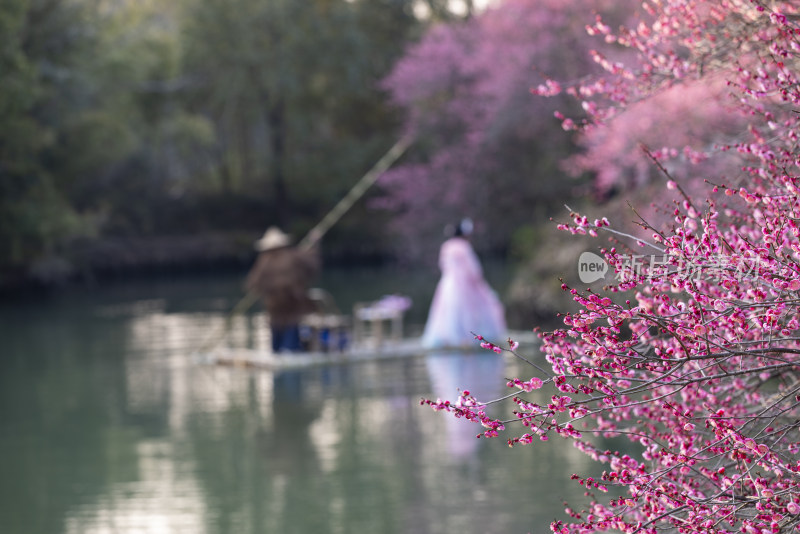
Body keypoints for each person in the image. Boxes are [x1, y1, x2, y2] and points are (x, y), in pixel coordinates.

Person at [421, 218, 507, 349]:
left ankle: (450, 339)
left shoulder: (446, 246)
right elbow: (474, 270)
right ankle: (468, 339)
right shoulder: (464, 247)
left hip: (448, 284)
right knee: (469, 311)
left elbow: (443, 265)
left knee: (449, 311)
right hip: (464, 285)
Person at [245, 226, 320, 353]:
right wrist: (314, 243)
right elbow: (312, 265)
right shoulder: (293, 256)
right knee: (290, 344)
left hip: (275, 308)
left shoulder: (264, 261)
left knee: (277, 345)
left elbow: (253, 285)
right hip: (292, 307)